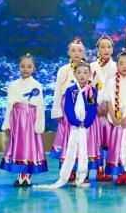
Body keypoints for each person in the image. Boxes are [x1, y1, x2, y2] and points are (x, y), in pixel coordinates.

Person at [36, 61, 98, 189]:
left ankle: (84, 174)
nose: (82, 75)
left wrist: (86, 122)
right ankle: (72, 172)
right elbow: (68, 108)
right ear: (74, 74)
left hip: (86, 126)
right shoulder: (71, 90)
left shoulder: (91, 91)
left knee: (85, 148)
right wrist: (75, 121)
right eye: (79, 73)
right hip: (73, 125)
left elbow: (92, 108)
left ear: (90, 74)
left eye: (85, 72)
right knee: (72, 146)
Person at [0, 54, 47, 187]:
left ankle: (27, 177)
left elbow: (40, 106)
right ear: (19, 67)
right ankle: (20, 176)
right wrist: (7, 123)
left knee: (30, 146)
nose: (25, 69)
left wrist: (38, 123)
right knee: (19, 146)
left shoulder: (36, 85)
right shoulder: (13, 85)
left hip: (31, 118)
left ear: (34, 69)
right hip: (17, 119)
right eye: (23, 66)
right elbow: (9, 105)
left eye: (29, 67)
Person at [50, 38, 85, 181]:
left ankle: (82, 169)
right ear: (68, 53)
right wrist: (57, 110)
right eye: (73, 50)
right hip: (67, 108)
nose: (76, 53)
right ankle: (68, 170)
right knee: (68, 138)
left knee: (82, 138)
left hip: (83, 107)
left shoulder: (88, 69)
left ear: (84, 53)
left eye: (80, 51)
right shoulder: (64, 70)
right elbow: (58, 91)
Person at [103, 52, 126, 185]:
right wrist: (113, 116)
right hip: (116, 120)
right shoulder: (111, 82)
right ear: (117, 65)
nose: (124, 66)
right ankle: (119, 172)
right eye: (121, 63)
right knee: (116, 145)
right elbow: (109, 100)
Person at [90, 35, 116, 181]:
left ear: (112, 49)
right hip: (96, 110)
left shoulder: (116, 66)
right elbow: (88, 89)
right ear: (98, 49)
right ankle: (99, 167)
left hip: (111, 109)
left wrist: (110, 107)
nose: (106, 49)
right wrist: (95, 106)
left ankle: (109, 168)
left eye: (109, 47)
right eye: (102, 47)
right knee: (97, 138)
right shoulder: (92, 67)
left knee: (110, 139)